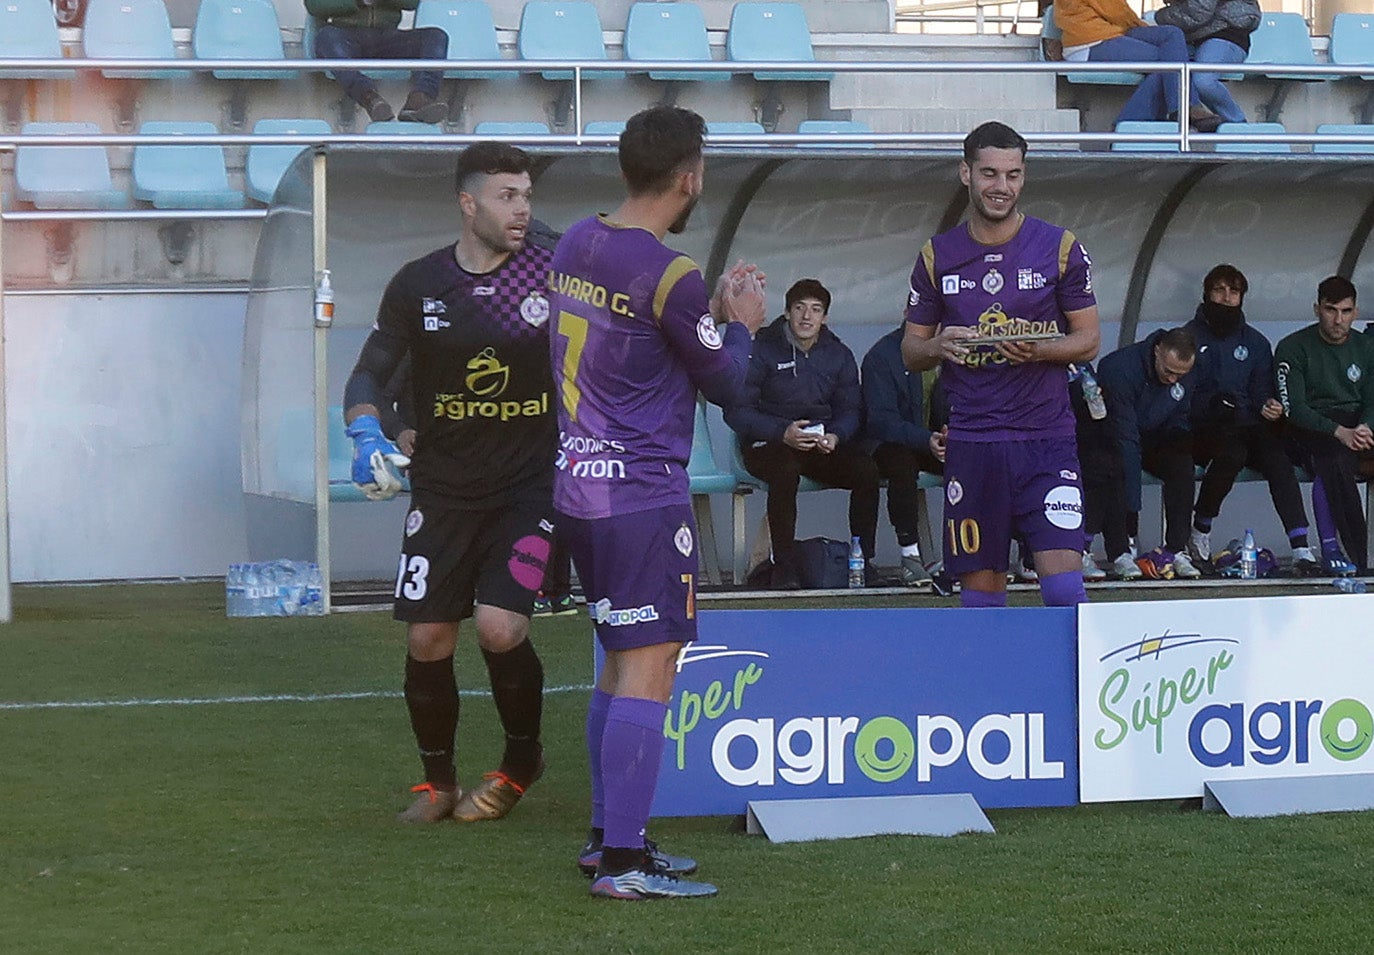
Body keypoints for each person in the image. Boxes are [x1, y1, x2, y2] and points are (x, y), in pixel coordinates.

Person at [548, 106, 766, 900]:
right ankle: (623, 865)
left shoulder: (577, 240)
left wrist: (702, 326)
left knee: (617, 663)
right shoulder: (672, 274)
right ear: (690, 176)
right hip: (640, 495)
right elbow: (731, 386)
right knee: (650, 666)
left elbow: (637, 347)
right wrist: (738, 326)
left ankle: (612, 838)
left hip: (579, 483)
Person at [342, 142, 554, 825]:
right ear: (468, 203)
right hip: (442, 490)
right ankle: (437, 782)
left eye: (525, 195)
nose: (520, 208)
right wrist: (366, 431)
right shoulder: (419, 283)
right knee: (428, 638)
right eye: (505, 195)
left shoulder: (553, 272)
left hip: (530, 488)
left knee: (497, 627)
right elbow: (369, 371)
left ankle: (521, 759)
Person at [902, 120, 1101, 609]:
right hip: (974, 445)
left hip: (1046, 442)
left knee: (1063, 590)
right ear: (965, 174)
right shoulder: (937, 256)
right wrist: (939, 346)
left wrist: (1039, 350)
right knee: (982, 597)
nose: (1002, 187)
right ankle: (988, 686)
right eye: (990, 174)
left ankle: (1065, 686)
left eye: (1013, 174)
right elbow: (911, 351)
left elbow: (1090, 339)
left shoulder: (1059, 248)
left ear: (1024, 177)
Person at [726, 279, 882, 590]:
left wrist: (836, 436)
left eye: (815, 310)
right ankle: (783, 566)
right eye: (799, 309)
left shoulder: (838, 354)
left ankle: (862, 560)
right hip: (768, 443)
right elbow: (737, 411)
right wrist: (782, 432)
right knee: (785, 470)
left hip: (817, 445)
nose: (806, 317)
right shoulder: (762, 349)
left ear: (825, 317)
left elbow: (851, 409)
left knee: (867, 470)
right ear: (786, 313)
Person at [1185, 264, 1320, 574]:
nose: (1227, 297)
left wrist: (1269, 406)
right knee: (1232, 454)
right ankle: (1200, 531)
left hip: (1248, 427)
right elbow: (1178, 393)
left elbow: (1262, 390)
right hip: (1202, 429)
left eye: (1234, 292)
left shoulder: (1256, 342)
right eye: (1219, 290)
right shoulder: (1188, 337)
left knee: (1277, 458)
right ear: (1207, 294)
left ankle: (1300, 547)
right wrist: (1211, 404)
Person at [1275, 276, 1374, 574]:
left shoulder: (1366, 346)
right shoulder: (1293, 347)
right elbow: (1294, 407)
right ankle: (1343, 552)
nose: (1338, 320)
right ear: (1317, 309)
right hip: (1311, 428)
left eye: (1346, 312)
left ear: (1356, 312)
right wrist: (1339, 432)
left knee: (1341, 457)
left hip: (1357, 424)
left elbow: (1372, 397)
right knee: (1333, 460)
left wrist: (1367, 426)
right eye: (1331, 310)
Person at [1096, 327, 1203, 579]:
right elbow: (1125, 436)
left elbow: (1181, 415)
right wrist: (1134, 509)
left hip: (1157, 434)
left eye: (1181, 374)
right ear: (1157, 351)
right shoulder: (1119, 369)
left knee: (1181, 462)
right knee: (1118, 464)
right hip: (1114, 434)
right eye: (1169, 371)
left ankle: (1176, 548)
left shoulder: (1189, 370)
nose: (1174, 380)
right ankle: (1121, 550)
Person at [861, 323, 948, 586]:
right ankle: (909, 555)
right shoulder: (882, 355)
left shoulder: (956, 348)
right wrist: (926, 439)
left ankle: (969, 551)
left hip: (934, 439)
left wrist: (951, 432)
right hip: (886, 442)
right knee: (902, 465)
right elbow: (881, 421)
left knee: (975, 460)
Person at [1053, 0, 1223, 130]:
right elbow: (1115, 11)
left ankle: (1183, 107)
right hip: (1089, 42)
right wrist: (1141, 25)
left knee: (1171, 35)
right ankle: (1125, 126)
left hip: (1112, 31)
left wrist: (1141, 26)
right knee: (1167, 64)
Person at [305, 0, 449, 124]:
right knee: (326, 37)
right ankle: (369, 97)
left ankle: (420, 100)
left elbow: (411, 3)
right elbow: (314, 5)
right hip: (346, 36)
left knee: (436, 36)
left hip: (388, 37)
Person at [1070, 362, 1133, 580]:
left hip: (1080, 432)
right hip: (1046, 436)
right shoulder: (1040, 354)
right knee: (1096, 469)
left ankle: (1120, 552)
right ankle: (1081, 548)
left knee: (1111, 463)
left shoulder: (1080, 364)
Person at [1154, 0, 1260, 126]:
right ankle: (1160, 130)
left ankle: (1237, 125)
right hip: (1189, 40)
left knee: (1204, 80)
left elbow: (1198, 13)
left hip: (1227, 36)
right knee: (1161, 68)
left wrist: (1162, 15)